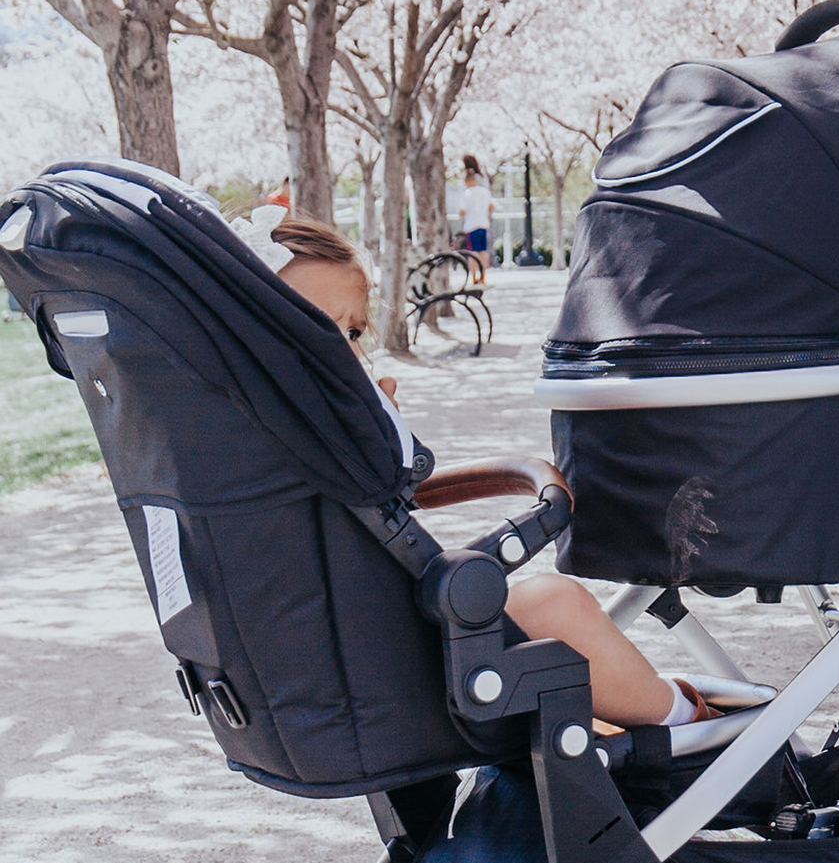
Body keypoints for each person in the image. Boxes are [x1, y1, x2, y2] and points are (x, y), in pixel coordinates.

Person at [263, 213, 710, 730]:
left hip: (313, 665)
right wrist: (386, 448)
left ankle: (650, 726)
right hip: (373, 665)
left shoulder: (234, 445)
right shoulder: (317, 431)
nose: (348, 350)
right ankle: (687, 729)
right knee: (552, 603)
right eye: (321, 328)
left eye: (355, 330)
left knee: (547, 659)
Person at [459, 154, 494, 284]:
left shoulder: (467, 194)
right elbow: (491, 207)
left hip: (471, 225)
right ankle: (483, 276)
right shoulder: (485, 190)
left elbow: (462, 211)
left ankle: (474, 277)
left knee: (472, 253)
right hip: (483, 224)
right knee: (482, 252)